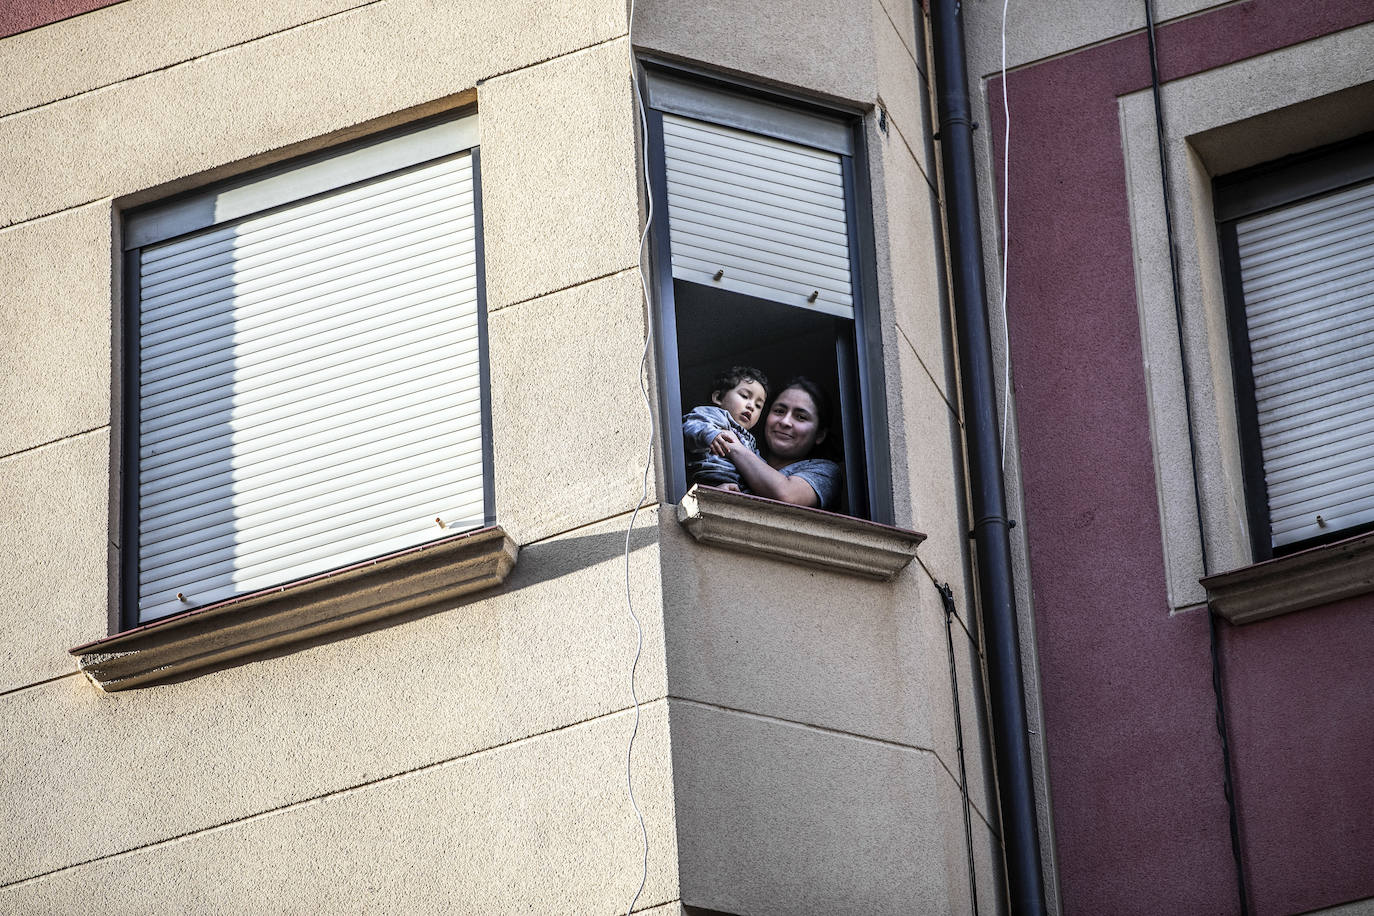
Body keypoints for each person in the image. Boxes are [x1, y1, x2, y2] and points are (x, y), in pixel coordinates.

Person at [708, 376, 842, 510]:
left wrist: (735, 447)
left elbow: (786, 496)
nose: (785, 422)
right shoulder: (730, 457)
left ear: (819, 435)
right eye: (779, 411)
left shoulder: (825, 472)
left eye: (801, 417)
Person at [681, 366, 770, 492]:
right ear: (718, 398)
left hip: (738, 488)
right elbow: (691, 426)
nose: (751, 406)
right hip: (708, 478)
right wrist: (710, 434)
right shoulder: (714, 415)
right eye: (745, 396)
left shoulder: (751, 442)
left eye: (758, 405)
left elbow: (759, 467)